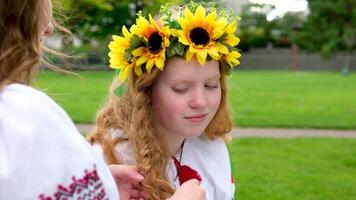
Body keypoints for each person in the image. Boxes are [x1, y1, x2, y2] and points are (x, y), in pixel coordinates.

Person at [0, 0, 205, 199]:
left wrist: (99, 188)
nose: (51, 28)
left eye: (211, 85)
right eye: (180, 88)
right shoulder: (20, 119)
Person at [88, 3, 241, 200]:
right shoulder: (109, 162)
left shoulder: (210, 145)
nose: (200, 102)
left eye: (211, 85)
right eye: (181, 89)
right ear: (146, 92)